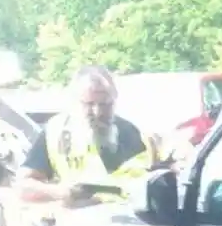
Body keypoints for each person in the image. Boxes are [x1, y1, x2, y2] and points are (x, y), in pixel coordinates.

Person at [17, 66, 155, 209]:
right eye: (89, 104)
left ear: (114, 101)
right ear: (74, 101)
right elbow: (23, 186)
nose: (98, 112)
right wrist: (61, 192)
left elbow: (143, 185)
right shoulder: (55, 131)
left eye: (105, 104)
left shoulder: (129, 133)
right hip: (76, 222)